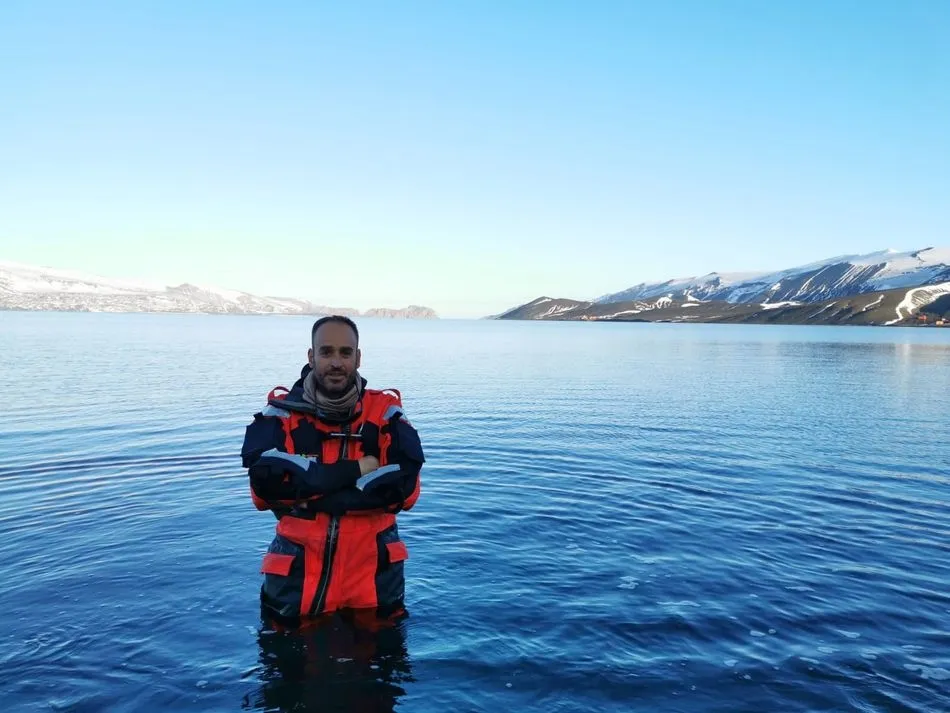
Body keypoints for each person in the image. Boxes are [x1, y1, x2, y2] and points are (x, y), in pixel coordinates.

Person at [241, 315, 425, 625]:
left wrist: (307, 489)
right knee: (286, 671)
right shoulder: (280, 414)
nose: (336, 362)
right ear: (311, 356)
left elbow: (404, 493)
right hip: (296, 583)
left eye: (345, 352)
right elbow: (265, 490)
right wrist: (359, 469)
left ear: (358, 357)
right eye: (326, 352)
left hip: (375, 582)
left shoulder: (386, 413)